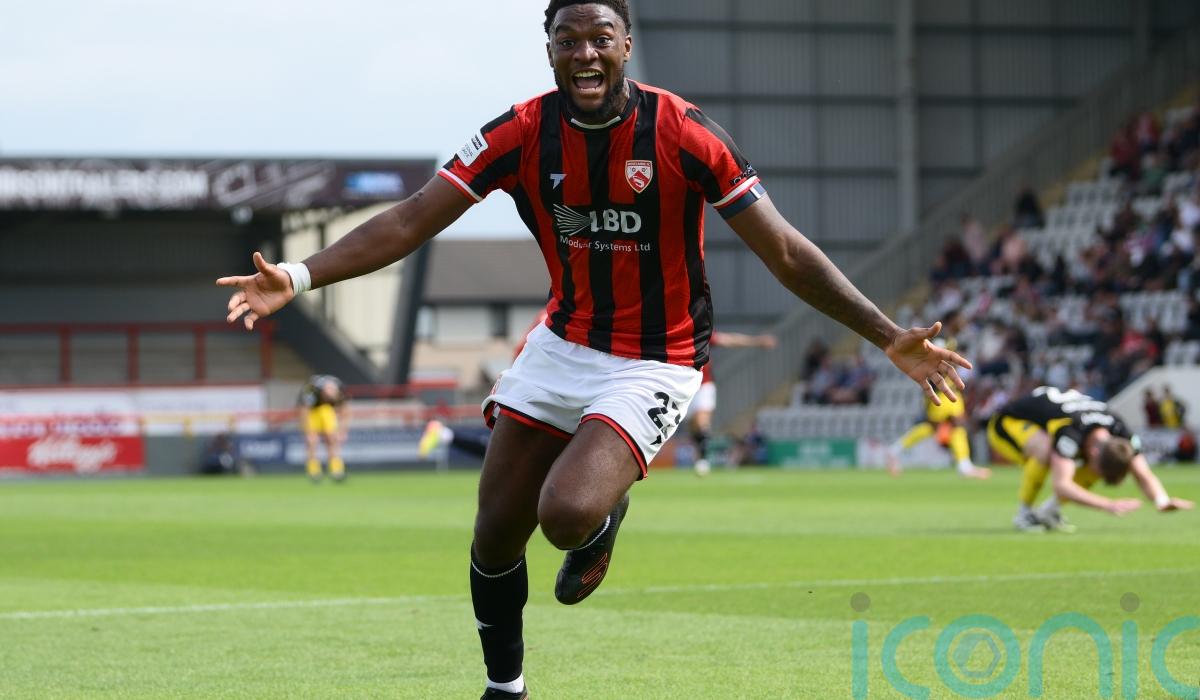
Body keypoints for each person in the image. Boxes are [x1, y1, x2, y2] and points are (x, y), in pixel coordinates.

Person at [217, 3, 971, 696]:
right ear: (548, 50)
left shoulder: (684, 132)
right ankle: (505, 687)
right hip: (563, 342)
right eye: (567, 40)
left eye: (600, 39)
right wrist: (299, 274)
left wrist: (885, 334)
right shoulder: (519, 132)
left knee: (566, 513)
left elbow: (783, 250)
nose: (584, 53)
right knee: (494, 533)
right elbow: (412, 219)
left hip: (658, 357)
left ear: (626, 45)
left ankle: (603, 518)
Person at [987, 386, 1193, 532]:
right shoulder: (1071, 430)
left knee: (1074, 461)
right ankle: (1024, 514)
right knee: (1045, 450)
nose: (1094, 478)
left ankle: (1048, 512)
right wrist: (1107, 504)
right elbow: (1062, 485)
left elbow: (1143, 472)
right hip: (1005, 424)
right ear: (1093, 453)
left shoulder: (1121, 431)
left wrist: (1161, 500)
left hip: (1051, 421)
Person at [690, 330, 777, 475]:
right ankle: (699, 455)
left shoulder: (700, 332)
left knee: (701, 422)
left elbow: (729, 339)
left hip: (704, 384)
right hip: (681, 385)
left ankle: (703, 460)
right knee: (693, 426)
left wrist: (756, 341)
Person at [297, 374, 348, 482]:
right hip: (312, 412)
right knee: (312, 442)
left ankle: (336, 471)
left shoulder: (339, 391)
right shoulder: (311, 392)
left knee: (332, 439)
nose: (331, 397)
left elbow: (344, 411)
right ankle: (314, 472)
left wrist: (342, 431)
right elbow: (304, 411)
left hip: (326, 411)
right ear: (323, 391)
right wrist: (307, 431)